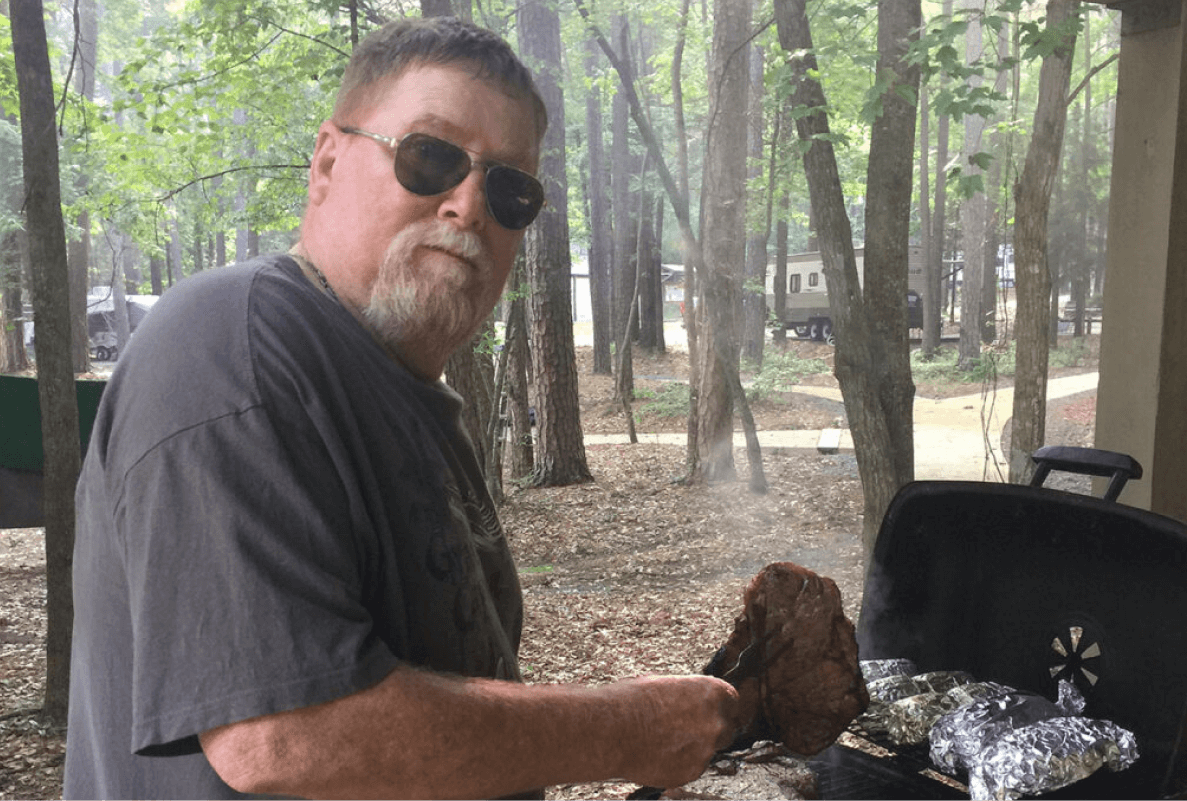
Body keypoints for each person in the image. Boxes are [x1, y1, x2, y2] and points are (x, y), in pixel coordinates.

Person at [64, 16, 739, 801]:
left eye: (509, 188)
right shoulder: (231, 343)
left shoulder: (415, 401)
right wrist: (627, 729)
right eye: (430, 156)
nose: (468, 206)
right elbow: (283, 734)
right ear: (326, 162)